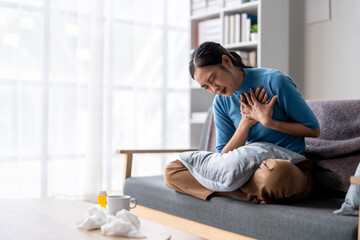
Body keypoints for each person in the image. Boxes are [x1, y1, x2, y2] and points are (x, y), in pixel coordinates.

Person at [164, 42, 320, 204]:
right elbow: (224, 155)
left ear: (227, 61)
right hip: (246, 169)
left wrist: (268, 121)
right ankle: (244, 195)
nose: (214, 89)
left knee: (275, 175)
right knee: (173, 170)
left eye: (212, 79)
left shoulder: (274, 81)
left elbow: (313, 130)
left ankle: (236, 190)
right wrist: (246, 123)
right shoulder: (221, 102)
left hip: (287, 166)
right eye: (206, 87)